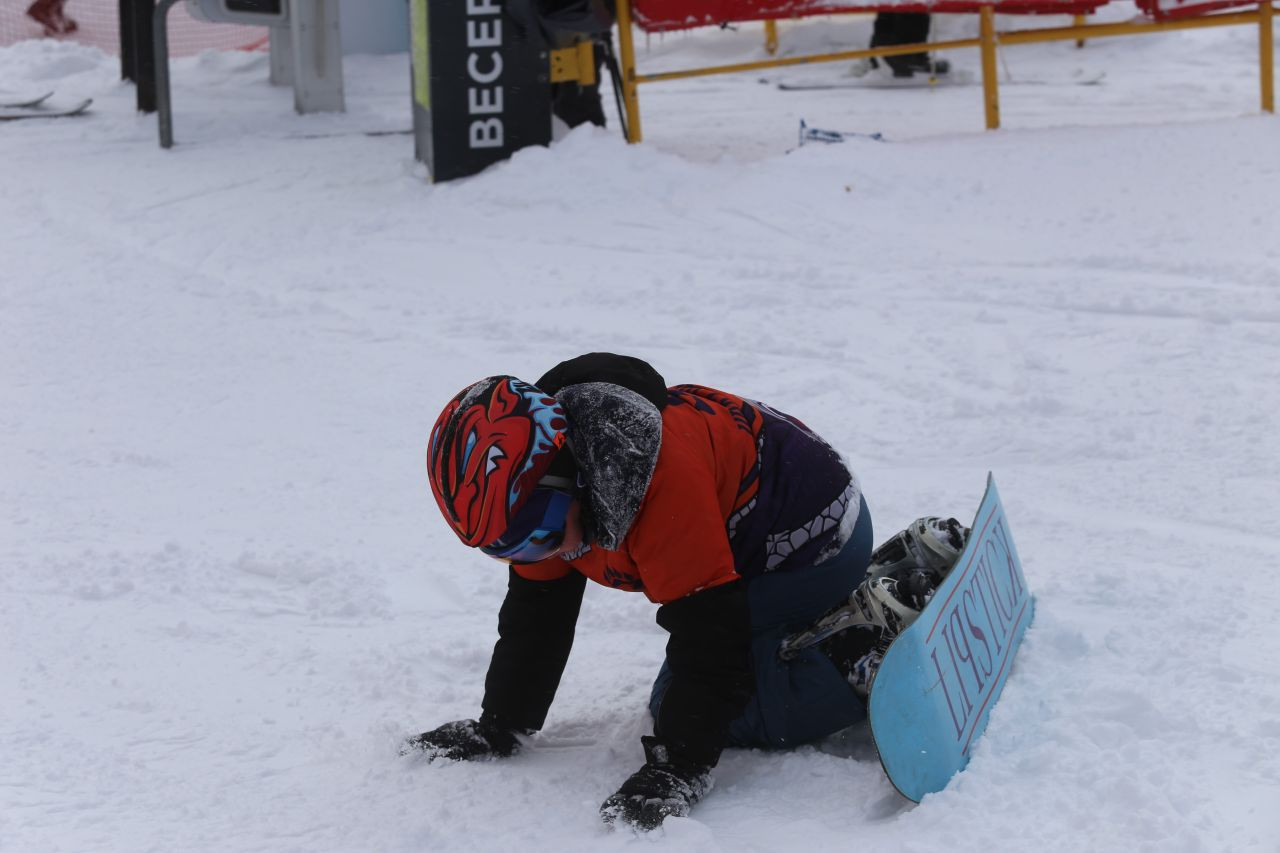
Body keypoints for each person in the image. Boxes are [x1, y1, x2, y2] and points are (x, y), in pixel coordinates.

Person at [406, 352, 968, 830]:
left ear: (569, 478)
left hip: (808, 545)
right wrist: (500, 723)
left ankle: (860, 644)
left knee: (728, 707)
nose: (540, 554)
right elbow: (536, 611)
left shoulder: (655, 485)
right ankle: (898, 572)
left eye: (539, 534)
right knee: (687, 697)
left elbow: (711, 642)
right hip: (795, 524)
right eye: (511, 549)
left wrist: (678, 767)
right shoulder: (560, 484)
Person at [868, 12, 950, 79]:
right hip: (903, 52)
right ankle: (910, 58)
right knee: (913, 6)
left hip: (886, 47)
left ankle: (889, 56)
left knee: (891, 7)